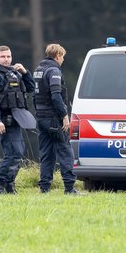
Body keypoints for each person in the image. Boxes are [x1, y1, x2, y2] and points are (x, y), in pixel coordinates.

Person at [0, 45, 36, 194]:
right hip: (4, 121)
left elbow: (31, 88)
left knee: (17, 152)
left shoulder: (15, 73)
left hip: (17, 120)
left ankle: (9, 184)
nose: (6, 59)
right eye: (3, 57)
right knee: (13, 153)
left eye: (8, 56)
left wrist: (25, 73)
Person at [33, 43, 79, 194]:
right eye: (62, 56)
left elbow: (35, 95)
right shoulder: (54, 71)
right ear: (58, 55)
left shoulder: (38, 70)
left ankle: (44, 188)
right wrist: (64, 115)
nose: (63, 60)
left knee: (46, 153)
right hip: (53, 118)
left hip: (41, 117)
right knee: (65, 151)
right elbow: (56, 96)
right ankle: (69, 188)